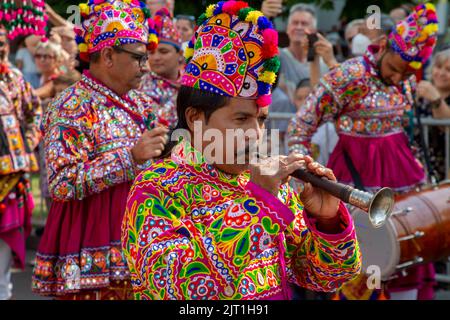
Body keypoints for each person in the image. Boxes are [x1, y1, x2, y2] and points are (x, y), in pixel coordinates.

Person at [122, 1, 361, 300]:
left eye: (261, 120)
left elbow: (325, 277)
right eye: (241, 119)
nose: (255, 134)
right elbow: (177, 289)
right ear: (196, 118)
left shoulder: (269, 182)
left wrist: (326, 220)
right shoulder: (155, 187)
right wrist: (257, 202)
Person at [287, 3, 439, 300]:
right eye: (395, 69)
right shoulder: (348, 75)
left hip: (402, 174)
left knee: (406, 251)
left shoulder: (405, 79)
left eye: (405, 74)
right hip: (353, 174)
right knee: (356, 260)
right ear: (383, 47)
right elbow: (299, 126)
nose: (398, 79)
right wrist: (305, 175)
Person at [31, 0, 168, 300]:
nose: (146, 67)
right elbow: (61, 183)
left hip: (139, 249)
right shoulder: (72, 106)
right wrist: (130, 158)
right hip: (90, 256)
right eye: (138, 58)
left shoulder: (141, 104)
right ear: (107, 55)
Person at [0, 24, 42, 300]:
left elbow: (34, 112)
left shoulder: (15, 78)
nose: (0, 48)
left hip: (11, 177)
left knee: (3, 248)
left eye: (2, 42)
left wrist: (29, 141)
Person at [141, 7, 183, 128]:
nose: (156, 58)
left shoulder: (190, 88)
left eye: (163, 52)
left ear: (180, 55)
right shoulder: (138, 86)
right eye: (152, 53)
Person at [415, 48, 450, 181]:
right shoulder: (421, 93)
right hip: (419, 165)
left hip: (444, 168)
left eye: (448, 70)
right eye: (438, 67)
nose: (441, 73)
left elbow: (445, 126)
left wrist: (436, 100)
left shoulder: (431, 95)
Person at [293, 79, 338, 166]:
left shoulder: (329, 129)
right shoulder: (292, 126)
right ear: (294, 100)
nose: (303, 102)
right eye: (299, 98)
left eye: (307, 98)